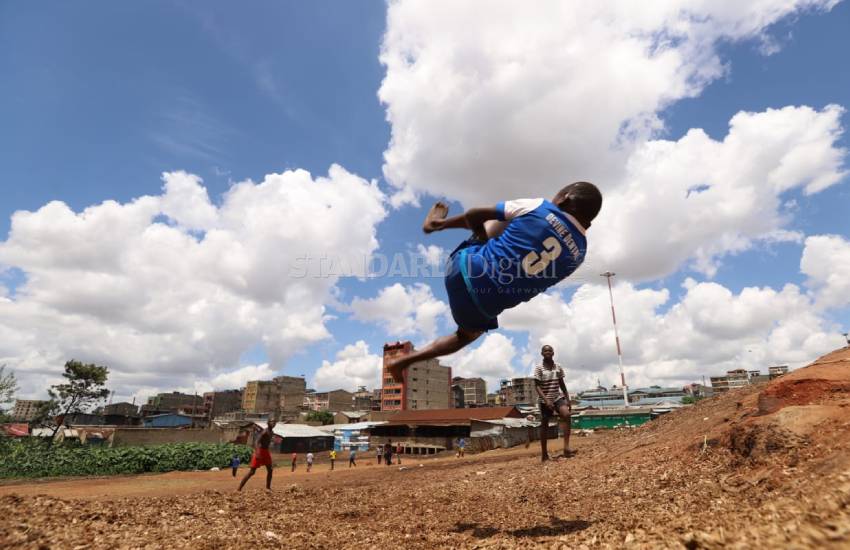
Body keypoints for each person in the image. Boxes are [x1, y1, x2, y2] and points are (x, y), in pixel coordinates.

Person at [386, 183, 602, 382]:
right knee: (465, 336)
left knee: (509, 217)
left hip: (462, 268)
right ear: (589, 224)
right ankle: (403, 362)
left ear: (563, 199)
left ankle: (437, 224)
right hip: (483, 307)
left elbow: (473, 215)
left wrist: (481, 236)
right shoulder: (580, 254)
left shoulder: (540, 206)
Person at [535, 345, 572, 462]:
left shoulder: (558, 367)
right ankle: (544, 454)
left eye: (550, 350)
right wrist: (546, 400)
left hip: (557, 397)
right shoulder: (539, 368)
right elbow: (537, 386)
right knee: (544, 425)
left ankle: (566, 447)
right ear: (542, 353)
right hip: (544, 399)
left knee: (566, 415)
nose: (548, 352)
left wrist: (567, 398)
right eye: (545, 350)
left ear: (553, 353)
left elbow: (562, 383)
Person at [237, 419, 276, 492]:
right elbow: (256, 441)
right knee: (252, 472)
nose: (273, 423)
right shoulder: (265, 432)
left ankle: (268, 488)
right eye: (272, 422)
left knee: (270, 470)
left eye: (274, 422)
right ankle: (239, 488)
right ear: (268, 423)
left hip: (266, 451)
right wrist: (257, 452)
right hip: (260, 450)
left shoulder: (272, 432)